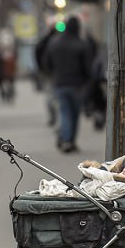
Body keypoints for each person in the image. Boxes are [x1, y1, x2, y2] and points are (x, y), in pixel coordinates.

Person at [40, 15, 94, 153]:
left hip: (60, 83)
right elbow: (88, 67)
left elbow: (46, 62)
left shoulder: (55, 43)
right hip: (77, 85)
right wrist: (88, 81)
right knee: (75, 114)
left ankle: (66, 139)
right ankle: (70, 140)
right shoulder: (81, 44)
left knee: (64, 112)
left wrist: (53, 74)